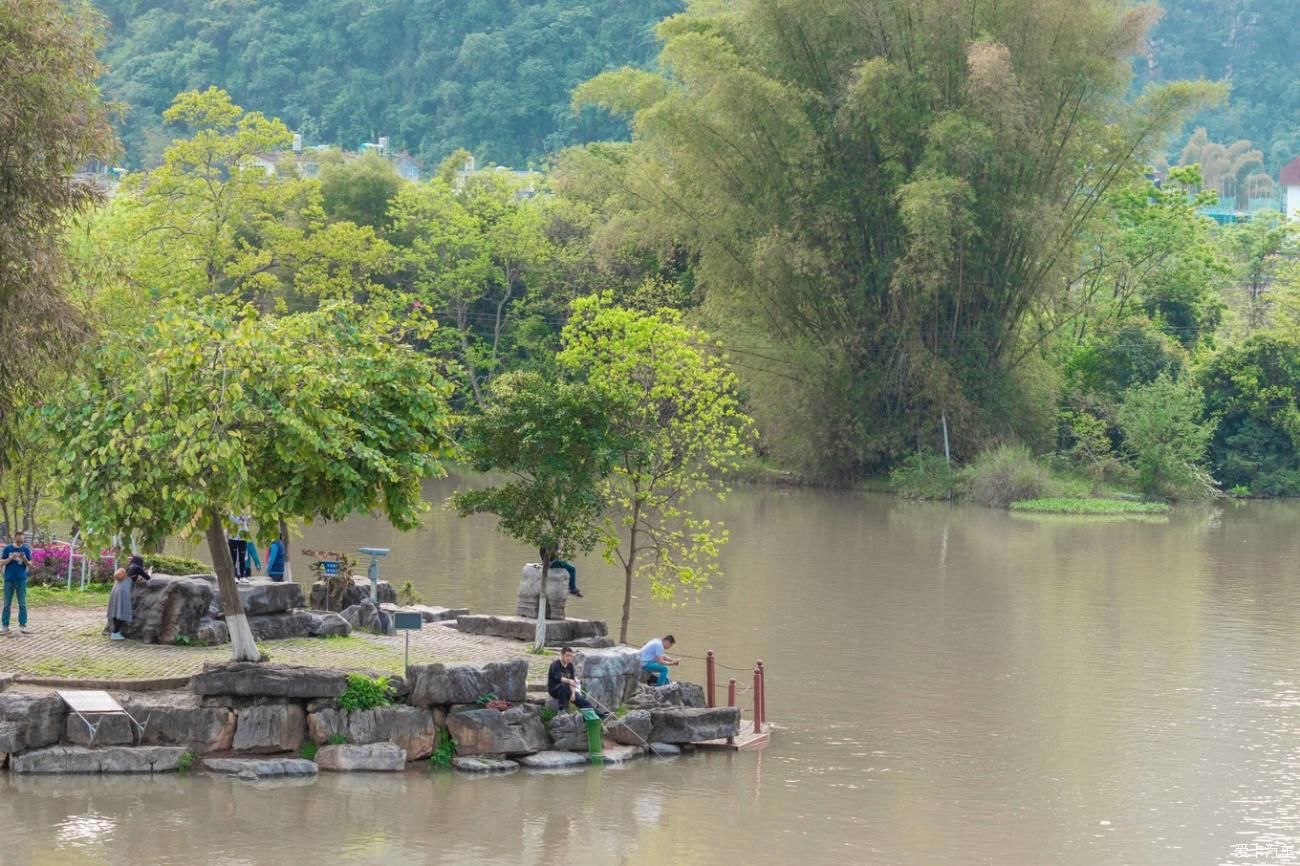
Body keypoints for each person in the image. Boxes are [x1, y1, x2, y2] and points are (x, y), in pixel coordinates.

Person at [1, 531, 32, 635]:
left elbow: (30, 565)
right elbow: (1, 562)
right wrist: (11, 558)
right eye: (18, 541)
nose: (20, 543)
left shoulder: (26, 549)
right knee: (6, 604)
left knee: (22, 604)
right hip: (9, 579)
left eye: (21, 541)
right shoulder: (8, 549)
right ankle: (5, 626)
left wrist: (24, 558)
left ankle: (23, 626)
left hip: (21, 579)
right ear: (15, 539)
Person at [547, 646, 594, 713]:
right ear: (562, 655)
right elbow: (559, 678)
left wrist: (573, 694)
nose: (569, 658)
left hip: (567, 689)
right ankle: (561, 710)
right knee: (563, 686)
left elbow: (573, 681)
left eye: (570, 656)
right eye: (567, 656)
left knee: (582, 701)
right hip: (554, 690)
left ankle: (601, 715)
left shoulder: (570, 666)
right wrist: (569, 681)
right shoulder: (555, 665)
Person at [107, 567, 134, 640]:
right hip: (123, 594)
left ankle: (115, 632)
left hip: (115, 593)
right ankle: (115, 632)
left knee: (115, 613)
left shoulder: (118, 577)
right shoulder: (128, 575)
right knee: (122, 613)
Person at [228, 515, 250, 581]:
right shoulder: (231, 512)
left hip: (243, 535)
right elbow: (232, 519)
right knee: (233, 558)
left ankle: (243, 576)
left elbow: (248, 517)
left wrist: (247, 518)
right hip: (233, 536)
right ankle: (234, 576)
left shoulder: (244, 510)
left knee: (242, 557)